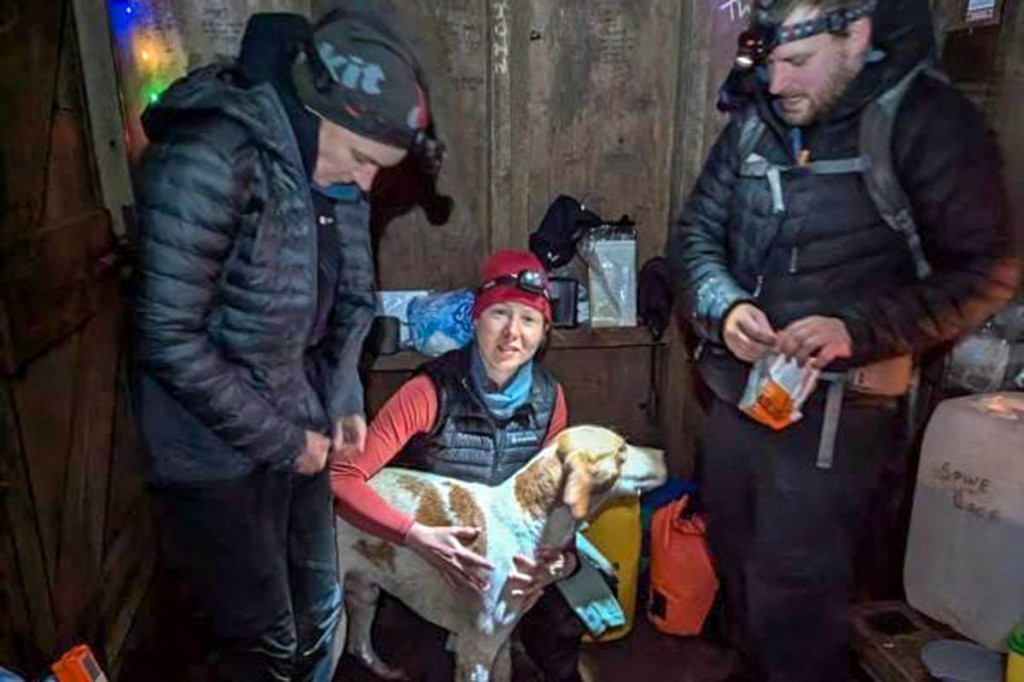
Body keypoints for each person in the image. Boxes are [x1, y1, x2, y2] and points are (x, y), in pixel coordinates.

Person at [666, 1, 1020, 680]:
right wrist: (723, 305)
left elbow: (987, 270)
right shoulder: (755, 123)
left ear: (854, 36)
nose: (776, 84)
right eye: (769, 65)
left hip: (834, 422)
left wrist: (856, 329)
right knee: (737, 567)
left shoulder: (926, 124)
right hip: (739, 401)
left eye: (796, 63)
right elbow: (695, 236)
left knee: (794, 600)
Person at [132, 8, 442, 681]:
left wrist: (342, 395)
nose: (366, 184)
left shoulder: (339, 173)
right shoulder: (213, 154)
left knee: (320, 605)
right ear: (316, 107)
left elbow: (353, 301)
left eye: (378, 171)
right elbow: (167, 335)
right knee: (262, 639)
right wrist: (285, 440)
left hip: (300, 428)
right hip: (211, 453)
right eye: (361, 160)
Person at [330, 249, 586, 682]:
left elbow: (555, 502)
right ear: (475, 319)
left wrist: (561, 562)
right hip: (425, 549)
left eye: (528, 319)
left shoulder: (550, 399)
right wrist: (417, 536)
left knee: (567, 628)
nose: (512, 333)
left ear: (544, 332)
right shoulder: (430, 390)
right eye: (499, 314)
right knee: (428, 662)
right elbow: (343, 476)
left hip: (503, 554)